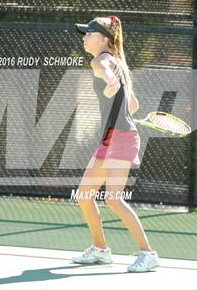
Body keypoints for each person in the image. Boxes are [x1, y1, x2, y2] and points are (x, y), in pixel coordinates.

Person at [72, 16, 160, 273]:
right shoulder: (120, 63)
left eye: (89, 33)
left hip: (120, 138)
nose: (85, 38)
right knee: (85, 195)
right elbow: (133, 105)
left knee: (113, 199)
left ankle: (148, 253)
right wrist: (116, 91)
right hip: (114, 136)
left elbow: (107, 75)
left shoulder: (100, 61)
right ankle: (100, 250)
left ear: (103, 39)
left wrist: (111, 84)